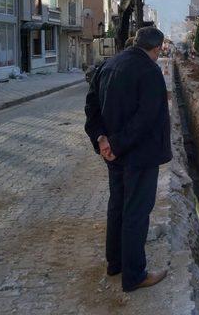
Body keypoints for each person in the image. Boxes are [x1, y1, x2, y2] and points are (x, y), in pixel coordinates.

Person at [84, 27, 172, 293]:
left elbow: (91, 107)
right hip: (139, 157)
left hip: (114, 155)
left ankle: (115, 264)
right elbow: (146, 119)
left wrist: (102, 140)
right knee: (136, 212)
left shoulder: (108, 65)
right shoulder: (149, 71)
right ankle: (134, 275)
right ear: (156, 49)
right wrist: (117, 144)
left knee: (117, 207)